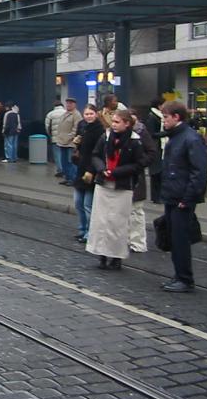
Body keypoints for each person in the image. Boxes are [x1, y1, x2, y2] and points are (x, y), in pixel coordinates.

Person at [86, 109, 146, 270]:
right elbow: (95, 155)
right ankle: (102, 255)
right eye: (113, 121)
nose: (113, 125)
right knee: (101, 221)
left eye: (117, 122)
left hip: (122, 187)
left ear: (127, 124)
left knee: (118, 224)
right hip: (103, 185)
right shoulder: (105, 137)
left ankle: (116, 256)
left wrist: (116, 172)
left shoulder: (135, 141)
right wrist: (102, 169)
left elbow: (138, 164)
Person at [160, 101, 207, 293]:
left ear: (176, 117)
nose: (163, 121)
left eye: (165, 117)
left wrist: (188, 198)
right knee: (174, 237)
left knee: (180, 239)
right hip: (173, 195)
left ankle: (185, 279)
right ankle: (179, 275)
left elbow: (199, 172)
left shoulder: (190, 139)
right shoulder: (176, 136)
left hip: (181, 198)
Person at [72, 104, 104, 244]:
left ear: (96, 114)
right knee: (78, 202)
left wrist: (91, 170)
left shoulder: (99, 130)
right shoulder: (83, 126)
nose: (89, 116)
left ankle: (90, 232)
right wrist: (77, 144)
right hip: (81, 168)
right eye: (86, 114)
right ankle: (82, 229)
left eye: (91, 113)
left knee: (87, 204)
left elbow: (98, 153)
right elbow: (82, 149)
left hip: (92, 171)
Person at [128, 109, 158, 253]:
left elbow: (152, 152)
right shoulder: (120, 132)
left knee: (136, 211)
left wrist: (140, 164)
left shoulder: (141, 132)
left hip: (137, 178)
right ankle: (127, 239)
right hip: (124, 178)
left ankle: (138, 242)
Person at [55, 98, 82, 186]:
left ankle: (73, 179)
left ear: (74, 104)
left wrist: (69, 137)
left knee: (71, 162)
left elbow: (76, 129)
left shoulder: (76, 115)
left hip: (70, 143)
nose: (68, 105)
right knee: (64, 162)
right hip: (62, 142)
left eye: (70, 103)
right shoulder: (65, 114)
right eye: (67, 103)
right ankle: (67, 178)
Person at [145, 97, 166, 204]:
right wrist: (166, 133)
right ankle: (156, 196)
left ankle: (159, 195)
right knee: (156, 172)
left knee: (160, 172)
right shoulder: (152, 117)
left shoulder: (160, 116)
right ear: (159, 105)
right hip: (156, 147)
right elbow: (151, 133)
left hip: (160, 146)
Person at [45, 100, 66, 177]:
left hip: (55, 138)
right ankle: (66, 170)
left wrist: (50, 135)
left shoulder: (50, 114)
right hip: (65, 138)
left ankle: (60, 170)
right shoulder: (66, 113)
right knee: (65, 154)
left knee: (57, 154)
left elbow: (47, 126)